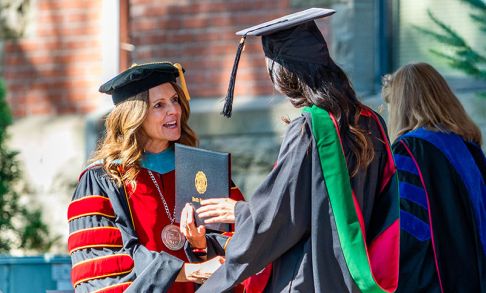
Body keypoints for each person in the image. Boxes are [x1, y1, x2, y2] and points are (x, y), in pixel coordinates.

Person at [183, 8, 400, 292]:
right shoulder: (371, 122)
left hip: (310, 276)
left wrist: (240, 212)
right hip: (356, 280)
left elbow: (283, 214)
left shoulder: (309, 128)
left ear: (284, 74)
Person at [67, 62, 244, 292]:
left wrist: (201, 246)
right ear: (134, 116)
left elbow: (239, 241)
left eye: (175, 100)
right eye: (159, 105)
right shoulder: (102, 180)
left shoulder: (204, 171)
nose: (174, 110)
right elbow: (106, 268)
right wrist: (186, 271)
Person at [382, 62, 486, 292]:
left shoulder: (409, 150)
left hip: (434, 282)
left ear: (401, 106)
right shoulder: (469, 147)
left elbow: (408, 233)